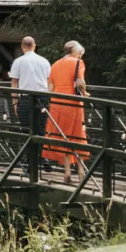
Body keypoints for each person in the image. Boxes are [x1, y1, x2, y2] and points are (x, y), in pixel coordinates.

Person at [42, 41, 89, 184]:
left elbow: (50, 87)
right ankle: (81, 172)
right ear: (75, 51)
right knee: (78, 134)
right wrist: (85, 92)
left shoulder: (55, 64)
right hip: (72, 102)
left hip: (57, 103)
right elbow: (80, 82)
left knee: (63, 136)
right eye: (80, 53)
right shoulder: (78, 63)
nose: (80, 56)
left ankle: (67, 172)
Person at [9, 36, 52, 172]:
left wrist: (15, 102)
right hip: (42, 98)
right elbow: (49, 81)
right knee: (41, 129)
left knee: (27, 130)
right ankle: (42, 157)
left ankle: (30, 164)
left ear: (22, 47)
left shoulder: (18, 61)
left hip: (26, 98)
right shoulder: (44, 61)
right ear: (34, 46)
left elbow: (14, 82)